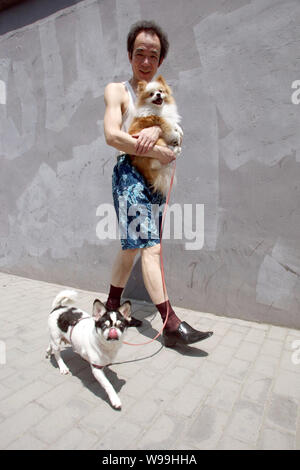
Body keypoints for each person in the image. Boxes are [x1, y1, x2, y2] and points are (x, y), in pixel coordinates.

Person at [103, 20, 213, 347]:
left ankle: (111, 307)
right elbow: (112, 135)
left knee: (131, 249)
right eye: (140, 54)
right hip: (130, 176)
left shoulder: (162, 95)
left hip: (155, 181)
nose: (146, 61)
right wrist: (147, 136)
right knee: (151, 246)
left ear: (160, 60)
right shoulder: (117, 90)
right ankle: (171, 324)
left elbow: (176, 144)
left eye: (153, 55)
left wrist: (163, 141)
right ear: (129, 55)